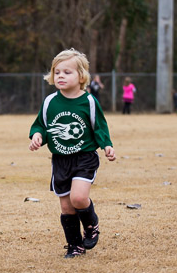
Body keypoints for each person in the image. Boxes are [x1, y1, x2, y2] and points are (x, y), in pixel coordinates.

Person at [28, 48, 116, 258]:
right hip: (60, 161)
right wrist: (37, 136)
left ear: (81, 76)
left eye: (67, 72)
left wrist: (107, 145)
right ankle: (75, 246)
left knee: (78, 198)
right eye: (57, 72)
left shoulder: (89, 102)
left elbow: (99, 127)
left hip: (84, 158)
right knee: (67, 207)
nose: (61, 76)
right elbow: (41, 125)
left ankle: (91, 224)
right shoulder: (50, 102)